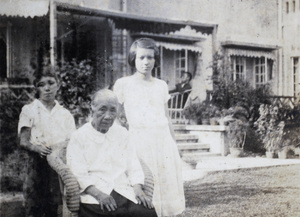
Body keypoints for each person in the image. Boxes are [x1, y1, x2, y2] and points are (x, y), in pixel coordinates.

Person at [113, 38, 185, 217]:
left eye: (150, 58)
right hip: (139, 141)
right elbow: (115, 118)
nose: (146, 62)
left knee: (167, 186)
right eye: (141, 58)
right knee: (145, 185)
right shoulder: (123, 84)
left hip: (163, 142)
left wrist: (174, 146)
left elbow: (166, 118)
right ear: (133, 59)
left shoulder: (161, 85)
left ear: (155, 60)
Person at [66, 89, 157, 217]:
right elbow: (78, 173)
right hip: (94, 193)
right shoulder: (79, 137)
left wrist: (137, 187)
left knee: (147, 213)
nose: (108, 116)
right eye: (103, 109)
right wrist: (99, 194)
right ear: (93, 106)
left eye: (113, 110)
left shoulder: (122, 133)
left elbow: (133, 164)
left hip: (123, 190)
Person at [18, 67, 76, 217]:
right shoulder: (29, 110)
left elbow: (72, 141)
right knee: (34, 206)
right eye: (41, 84)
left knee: (54, 207)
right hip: (37, 164)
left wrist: (60, 148)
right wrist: (37, 148)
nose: (47, 88)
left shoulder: (65, 114)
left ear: (58, 84)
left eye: (51, 83)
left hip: (57, 166)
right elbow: (23, 141)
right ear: (37, 88)